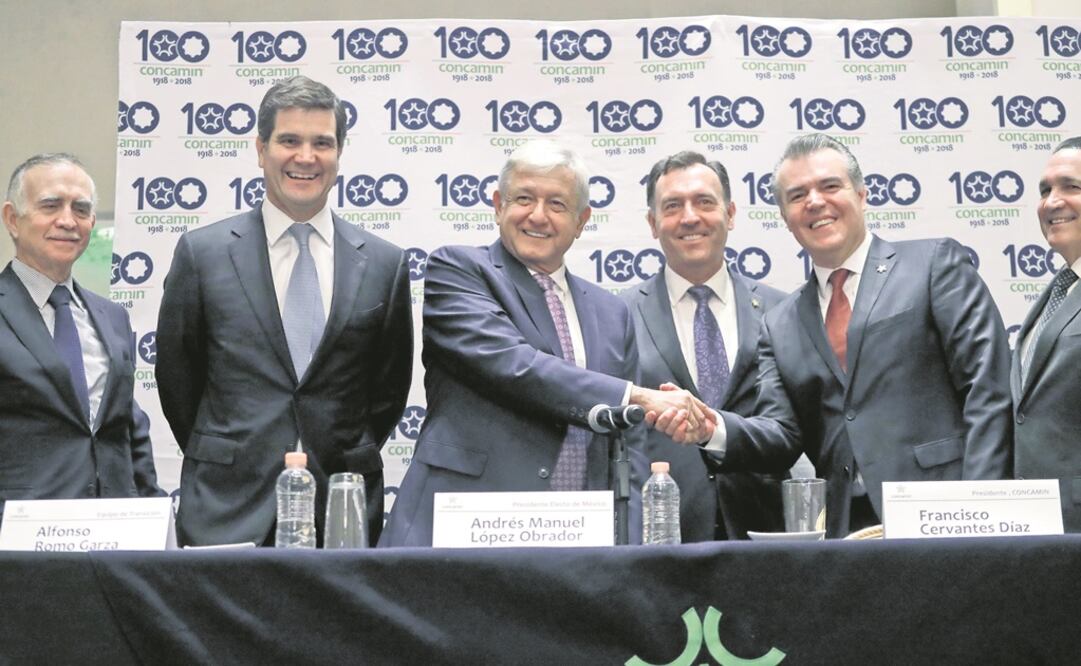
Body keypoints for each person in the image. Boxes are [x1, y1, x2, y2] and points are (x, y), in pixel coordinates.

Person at [380, 139, 710, 547]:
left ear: (581, 220)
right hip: (462, 535)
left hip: (578, 541)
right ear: (499, 204)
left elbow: (631, 447)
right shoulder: (458, 270)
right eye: (523, 198)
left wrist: (634, 548)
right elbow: (515, 366)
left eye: (557, 204)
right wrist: (636, 397)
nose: (538, 215)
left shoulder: (612, 312)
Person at [686, 133, 1013, 537]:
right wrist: (711, 428)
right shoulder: (780, 322)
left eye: (829, 186)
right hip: (845, 533)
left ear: (861, 194)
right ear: (786, 218)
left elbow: (986, 389)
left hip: (947, 514)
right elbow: (782, 434)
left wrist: (982, 510)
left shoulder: (932, 265)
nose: (815, 202)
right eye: (797, 195)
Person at [156, 76, 412, 546]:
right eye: (289, 140)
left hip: (341, 507)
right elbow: (178, 380)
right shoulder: (202, 253)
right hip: (225, 506)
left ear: (339, 153)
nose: (306, 157)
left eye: (322, 143)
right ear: (260, 148)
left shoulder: (384, 263)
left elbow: (387, 391)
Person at [624, 151, 788, 541]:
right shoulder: (618, 316)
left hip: (766, 534)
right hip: (660, 539)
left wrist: (713, 430)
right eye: (673, 206)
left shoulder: (783, 312)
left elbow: (792, 428)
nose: (690, 217)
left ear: (730, 214)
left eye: (704, 202)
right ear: (653, 223)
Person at [0, 153, 163, 515]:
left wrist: (152, 513)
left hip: (114, 531)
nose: (67, 220)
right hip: (20, 540)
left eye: (81, 209)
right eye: (51, 205)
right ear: (13, 218)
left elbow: (127, 428)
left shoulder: (113, 317)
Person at [1012, 137, 1081, 531]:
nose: (1051, 201)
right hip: (1041, 530)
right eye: (1045, 190)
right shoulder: (1058, 289)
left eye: (1070, 186)